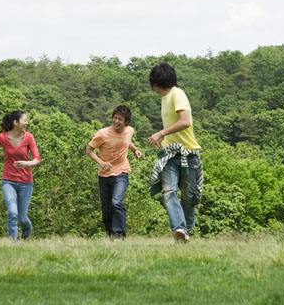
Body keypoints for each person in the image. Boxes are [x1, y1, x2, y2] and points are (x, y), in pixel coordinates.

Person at [146, 63, 203, 242]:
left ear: (158, 81)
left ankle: (186, 231)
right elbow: (173, 125)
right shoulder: (164, 99)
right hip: (170, 154)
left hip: (189, 153)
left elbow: (185, 121)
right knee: (168, 191)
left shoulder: (177, 93)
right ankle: (179, 229)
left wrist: (161, 133)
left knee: (188, 197)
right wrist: (164, 137)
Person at [0, 110, 42, 240]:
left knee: (22, 218)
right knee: (12, 212)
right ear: (16, 122)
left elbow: (37, 159)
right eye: (24, 120)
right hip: (8, 181)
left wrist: (27, 163)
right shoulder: (2, 137)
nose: (27, 123)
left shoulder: (29, 137)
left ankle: (26, 234)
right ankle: (13, 242)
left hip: (26, 182)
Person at [86, 105, 143, 239]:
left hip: (122, 171)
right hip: (104, 174)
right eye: (115, 118)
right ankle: (111, 234)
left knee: (116, 202)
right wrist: (101, 162)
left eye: (120, 119)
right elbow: (89, 150)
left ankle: (119, 234)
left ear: (126, 122)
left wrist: (135, 150)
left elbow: (127, 141)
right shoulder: (102, 134)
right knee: (106, 210)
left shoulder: (129, 131)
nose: (116, 121)